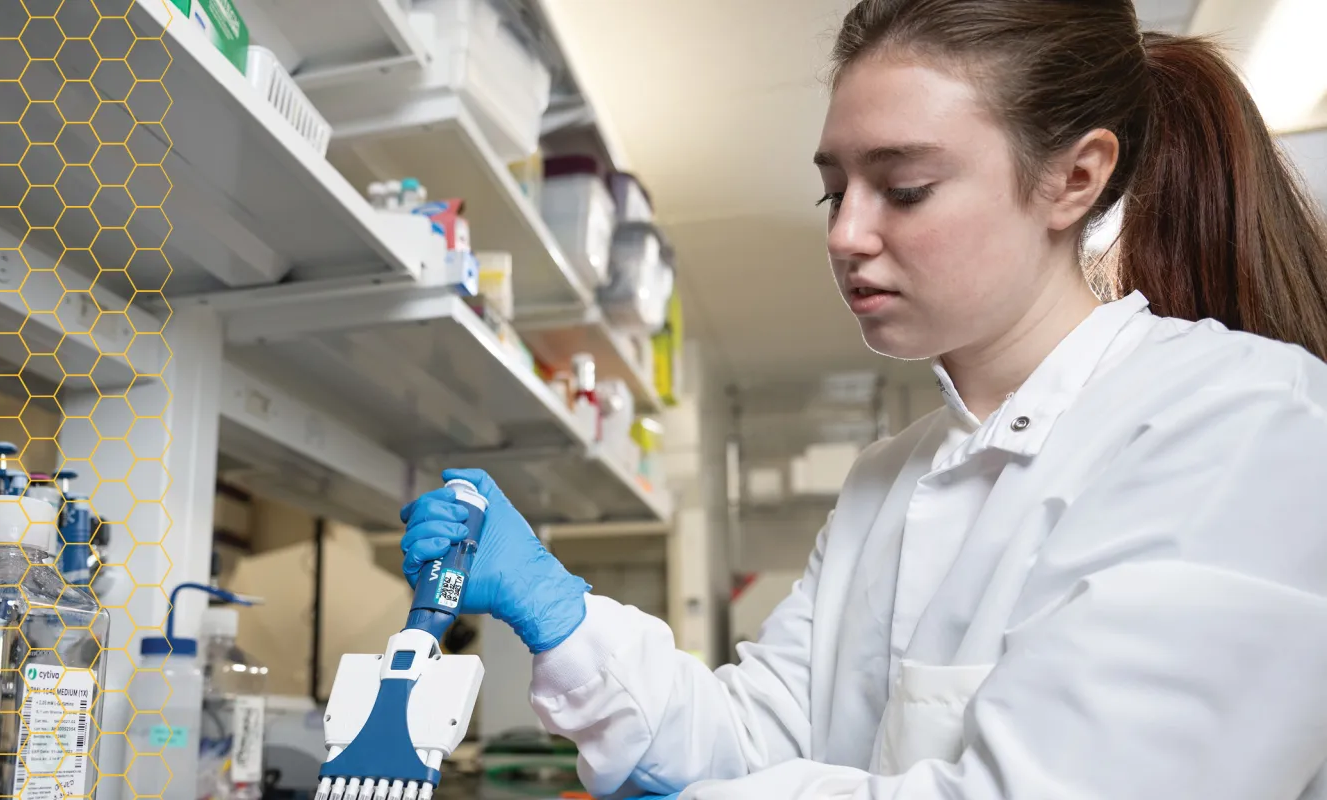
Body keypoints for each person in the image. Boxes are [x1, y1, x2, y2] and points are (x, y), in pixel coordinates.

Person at [400, 0, 1327, 798]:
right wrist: (560, 612)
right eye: (833, 191)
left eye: (905, 188)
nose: (847, 234)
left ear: (1074, 178)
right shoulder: (888, 479)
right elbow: (749, 737)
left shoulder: (1242, 422)